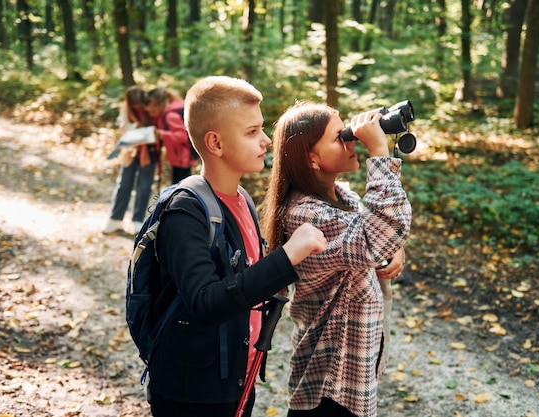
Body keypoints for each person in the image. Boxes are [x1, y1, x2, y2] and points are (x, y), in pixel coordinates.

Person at [146, 76, 327, 417]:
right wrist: (288, 256)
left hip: (236, 379)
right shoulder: (185, 211)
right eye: (251, 131)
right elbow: (205, 302)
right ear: (215, 143)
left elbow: (244, 278)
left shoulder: (241, 198)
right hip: (193, 393)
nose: (265, 140)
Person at [260, 102, 412, 417]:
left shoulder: (341, 195)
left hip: (350, 370)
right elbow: (375, 235)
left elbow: (377, 230)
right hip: (330, 377)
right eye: (339, 137)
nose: (351, 141)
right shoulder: (304, 214)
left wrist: (393, 247)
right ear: (311, 158)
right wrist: (379, 151)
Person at [103, 85, 157, 235]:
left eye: (140, 105)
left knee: (144, 186)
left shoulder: (150, 107)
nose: (138, 108)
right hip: (130, 150)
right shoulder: (125, 109)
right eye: (135, 106)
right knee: (124, 183)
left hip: (148, 151)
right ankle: (115, 218)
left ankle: (138, 221)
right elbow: (124, 129)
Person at [144, 87, 196, 185]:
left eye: (153, 111)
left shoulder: (170, 116)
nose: (151, 114)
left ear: (161, 104)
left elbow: (182, 136)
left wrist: (162, 134)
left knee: (181, 189)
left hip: (182, 157)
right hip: (178, 158)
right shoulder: (165, 113)